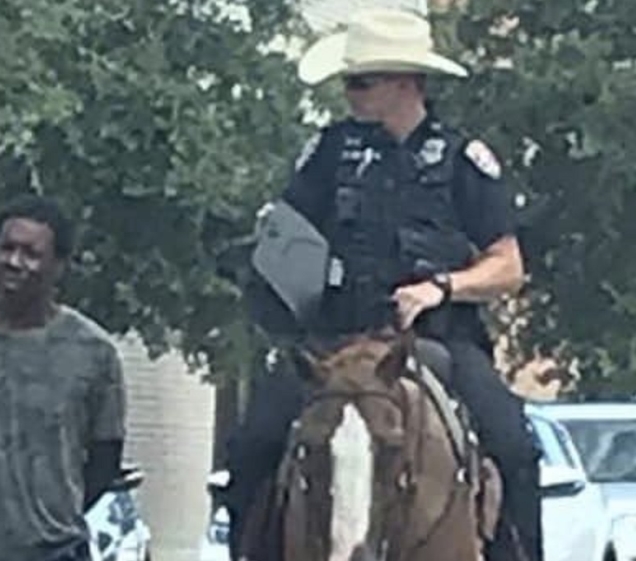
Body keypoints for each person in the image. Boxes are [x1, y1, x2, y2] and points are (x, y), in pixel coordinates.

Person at [228, 8, 543, 561]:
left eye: (360, 81)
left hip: (438, 345)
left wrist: (441, 288)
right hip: (336, 344)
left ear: (404, 81)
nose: (349, 93)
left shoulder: (461, 159)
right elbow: (287, 237)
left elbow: (508, 266)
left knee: (514, 445)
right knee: (253, 444)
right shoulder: (329, 154)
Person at [0, 194, 127, 561]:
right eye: (7, 248)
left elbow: (105, 457)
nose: (14, 262)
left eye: (31, 253)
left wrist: (51, 515)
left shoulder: (94, 351)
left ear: (59, 266)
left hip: (56, 550)